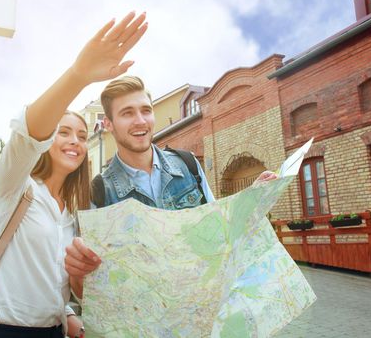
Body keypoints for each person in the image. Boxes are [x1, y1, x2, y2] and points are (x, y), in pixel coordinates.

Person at [0, 11, 147, 338]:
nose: (75, 141)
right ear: (48, 141)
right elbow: (28, 132)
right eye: (63, 132)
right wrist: (79, 75)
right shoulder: (15, 186)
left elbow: (49, 278)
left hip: (53, 331)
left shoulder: (76, 212)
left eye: (81, 135)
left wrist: (67, 314)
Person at [64, 76, 277, 290]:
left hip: (199, 306)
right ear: (108, 124)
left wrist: (250, 199)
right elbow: (86, 291)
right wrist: (77, 275)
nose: (140, 120)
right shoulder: (97, 193)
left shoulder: (188, 165)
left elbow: (218, 231)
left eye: (146, 110)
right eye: (127, 113)